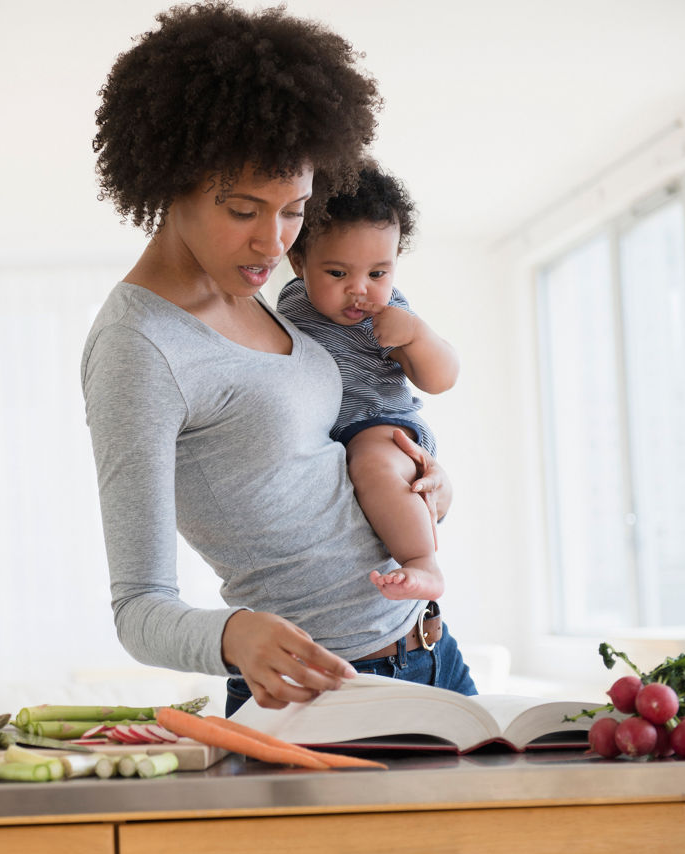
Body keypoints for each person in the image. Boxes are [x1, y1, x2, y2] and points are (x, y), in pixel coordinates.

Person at [81, 1, 477, 719]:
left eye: (294, 209)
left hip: (428, 647)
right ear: (171, 179)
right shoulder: (138, 347)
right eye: (242, 209)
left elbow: (312, 460)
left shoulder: (268, 297)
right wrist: (234, 635)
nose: (273, 242)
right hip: (321, 691)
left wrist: (425, 479)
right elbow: (138, 607)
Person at [277, 166, 457, 603]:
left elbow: (441, 378)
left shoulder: (390, 313)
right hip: (330, 436)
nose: (359, 289)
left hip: (380, 422)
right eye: (338, 274)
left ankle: (422, 563)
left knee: (374, 465)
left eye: (378, 273)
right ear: (299, 262)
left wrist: (415, 335)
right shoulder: (288, 306)